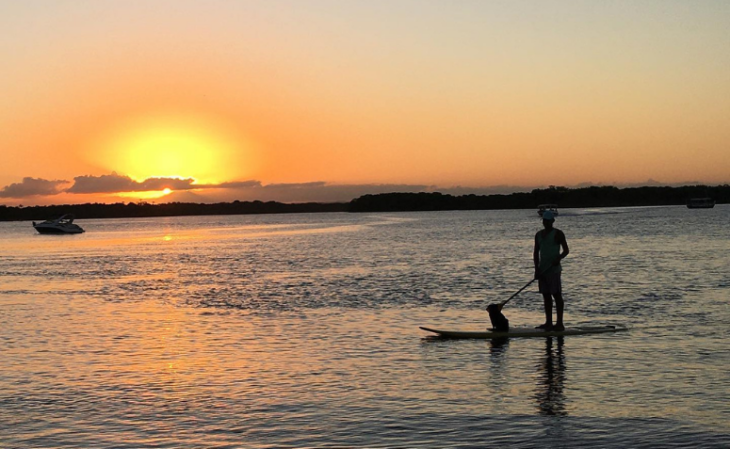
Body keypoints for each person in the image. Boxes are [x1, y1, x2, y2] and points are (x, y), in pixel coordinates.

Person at [534, 210, 569, 331]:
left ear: (552, 221)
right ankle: (548, 322)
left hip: (554, 270)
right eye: (544, 221)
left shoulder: (558, 234)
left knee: (557, 295)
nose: (546, 223)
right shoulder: (538, 235)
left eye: (548, 221)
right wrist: (536, 269)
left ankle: (559, 323)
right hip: (543, 270)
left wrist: (558, 258)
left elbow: (566, 251)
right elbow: (536, 253)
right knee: (546, 296)